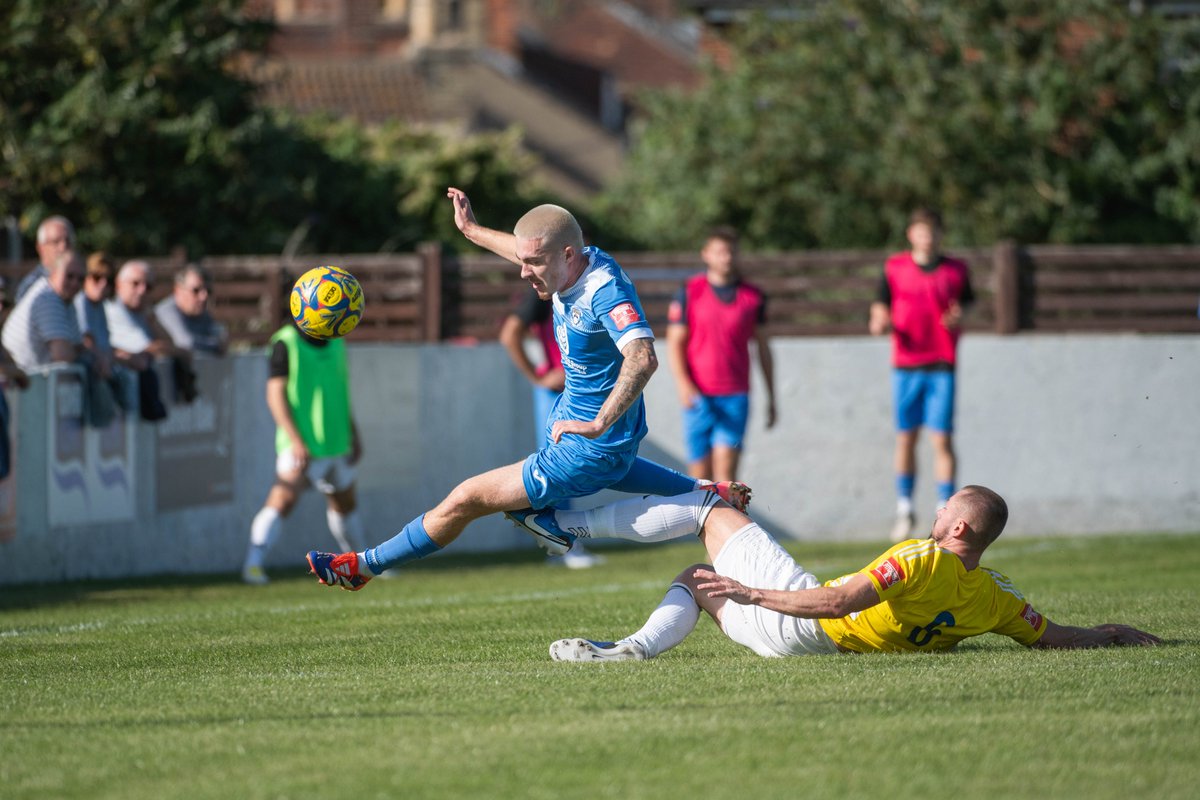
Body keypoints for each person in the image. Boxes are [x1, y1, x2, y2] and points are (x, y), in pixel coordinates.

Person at [306, 187, 749, 591]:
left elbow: (643, 357)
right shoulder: (566, 264)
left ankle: (362, 566)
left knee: (466, 498)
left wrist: (596, 423)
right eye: (523, 260)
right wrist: (472, 230)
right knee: (629, 477)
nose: (522, 272)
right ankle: (706, 492)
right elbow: (529, 249)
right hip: (610, 448)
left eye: (532, 264)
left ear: (569, 255)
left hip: (587, 448)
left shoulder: (602, 290)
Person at [544, 485, 1160, 662]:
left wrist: (751, 591)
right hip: (793, 645)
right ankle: (629, 649)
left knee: (713, 508)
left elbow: (838, 602)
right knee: (694, 576)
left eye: (949, 506)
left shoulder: (921, 556)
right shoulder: (995, 599)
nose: (938, 508)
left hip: (803, 624)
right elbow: (1052, 635)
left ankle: (568, 526)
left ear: (960, 530)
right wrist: (1109, 633)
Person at [869, 208, 974, 541]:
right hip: (906, 364)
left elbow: (968, 303)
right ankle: (905, 509)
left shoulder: (956, 270)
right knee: (906, 438)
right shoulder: (894, 268)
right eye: (920, 231)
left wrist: (960, 314)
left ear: (939, 235)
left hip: (942, 362)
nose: (926, 237)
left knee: (941, 438)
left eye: (932, 231)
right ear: (910, 235)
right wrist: (879, 322)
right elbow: (879, 307)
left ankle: (946, 508)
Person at [241, 317, 366, 585]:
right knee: (283, 499)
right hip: (301, 445)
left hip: (336, 441)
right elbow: (274, 395)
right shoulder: (285, 342)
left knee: (345, 504)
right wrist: (295, 439)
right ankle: (253, 564)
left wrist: (354, 433)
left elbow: (340, 390)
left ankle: (358, 564)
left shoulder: (337, 340)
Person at [498, 287, 601, 569]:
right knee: (559, 467)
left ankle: (566, 543)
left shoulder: (584, 290)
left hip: (576, 392)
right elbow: (510, 334)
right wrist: (537, 377)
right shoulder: (543, 293)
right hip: (557, 393)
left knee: (571, 467)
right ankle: (564, 544)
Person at [666, 226, 776, 481]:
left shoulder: (752, 297)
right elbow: (675, 343)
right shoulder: (689, 292)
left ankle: (729, 518)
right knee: (699, 479)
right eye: (720, 252)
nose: (726, 258)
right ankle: (700, 522)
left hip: (735, 395)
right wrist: (683, 384)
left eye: (731, 252)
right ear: (706, 254)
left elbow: (763, 348)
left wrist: (771, 398)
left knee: (726, 475)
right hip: (697, 395)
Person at [1, 249, 86, 371]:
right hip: (26, 382)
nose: (75, 283)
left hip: (32, 379)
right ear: (54, 272)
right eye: (69, 276)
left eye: (80, 279)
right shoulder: (47, 298)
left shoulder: (65, 300)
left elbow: (77, 346)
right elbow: (63, 356)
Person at [154, 263, 227, 356]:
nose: (204, 297)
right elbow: (186, 343)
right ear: (178, 290)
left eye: (208, 291)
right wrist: (217, 345)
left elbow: (219, 337)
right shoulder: (166, 312)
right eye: (196, 290)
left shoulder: (201, 313)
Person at [14, 216, 75, 304]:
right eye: (56, 242)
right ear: (40, 248)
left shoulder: (80, 282)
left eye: (68, 241)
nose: (63, 247)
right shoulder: (32, 285)